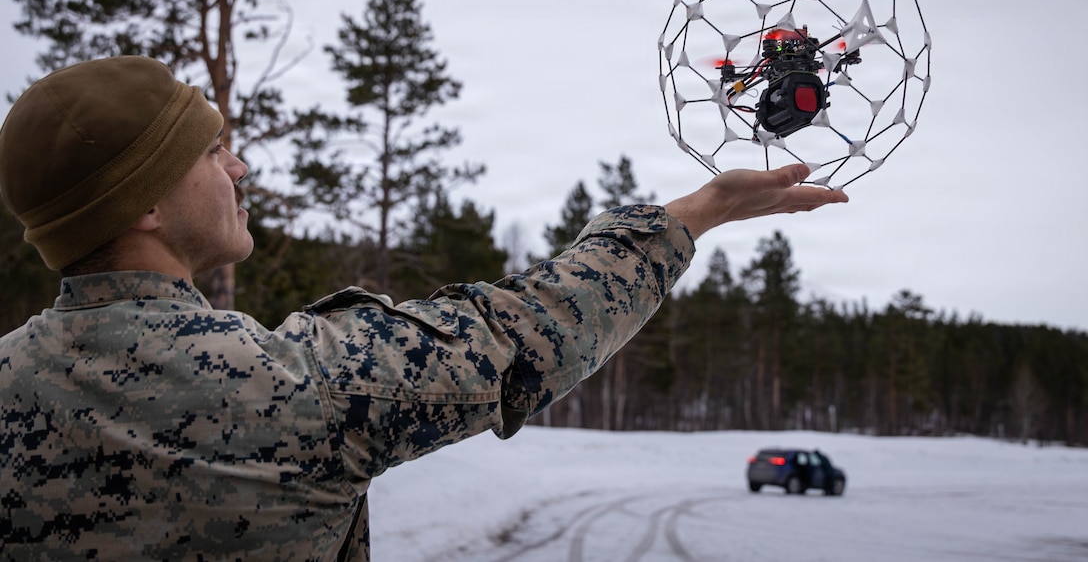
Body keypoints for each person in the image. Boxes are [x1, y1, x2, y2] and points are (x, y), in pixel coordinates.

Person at [0, 56, 848, 560]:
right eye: (212, 149)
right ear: (143, 204)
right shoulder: (296, 389)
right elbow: (526, 329)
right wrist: (700, 210)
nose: (240, 168)